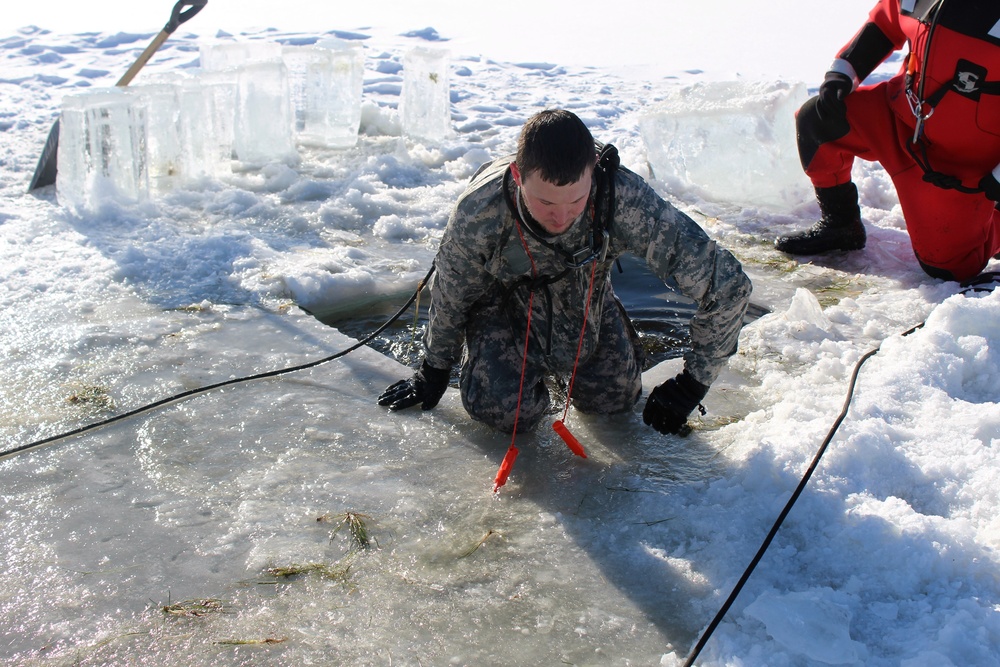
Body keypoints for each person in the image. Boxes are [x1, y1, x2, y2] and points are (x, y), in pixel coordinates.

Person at [378, 109, 751, 436]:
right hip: (504, 309)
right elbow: (451, 293)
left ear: (592, 172)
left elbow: (727, 285)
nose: (560, 216)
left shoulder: (621, 197)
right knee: (504, 412)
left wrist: (693, 383)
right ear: (517, 175)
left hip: (586, 300)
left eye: (575, 200)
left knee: (615, 402)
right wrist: (434, 367)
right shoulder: (480, 211)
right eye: (544, 202)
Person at [775, 0, 1000, 282]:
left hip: (960, 163)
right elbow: (885, 22)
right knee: (818, 120)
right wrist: (842, 74)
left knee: (950, 267)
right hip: (897, 116)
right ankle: (841, 226)